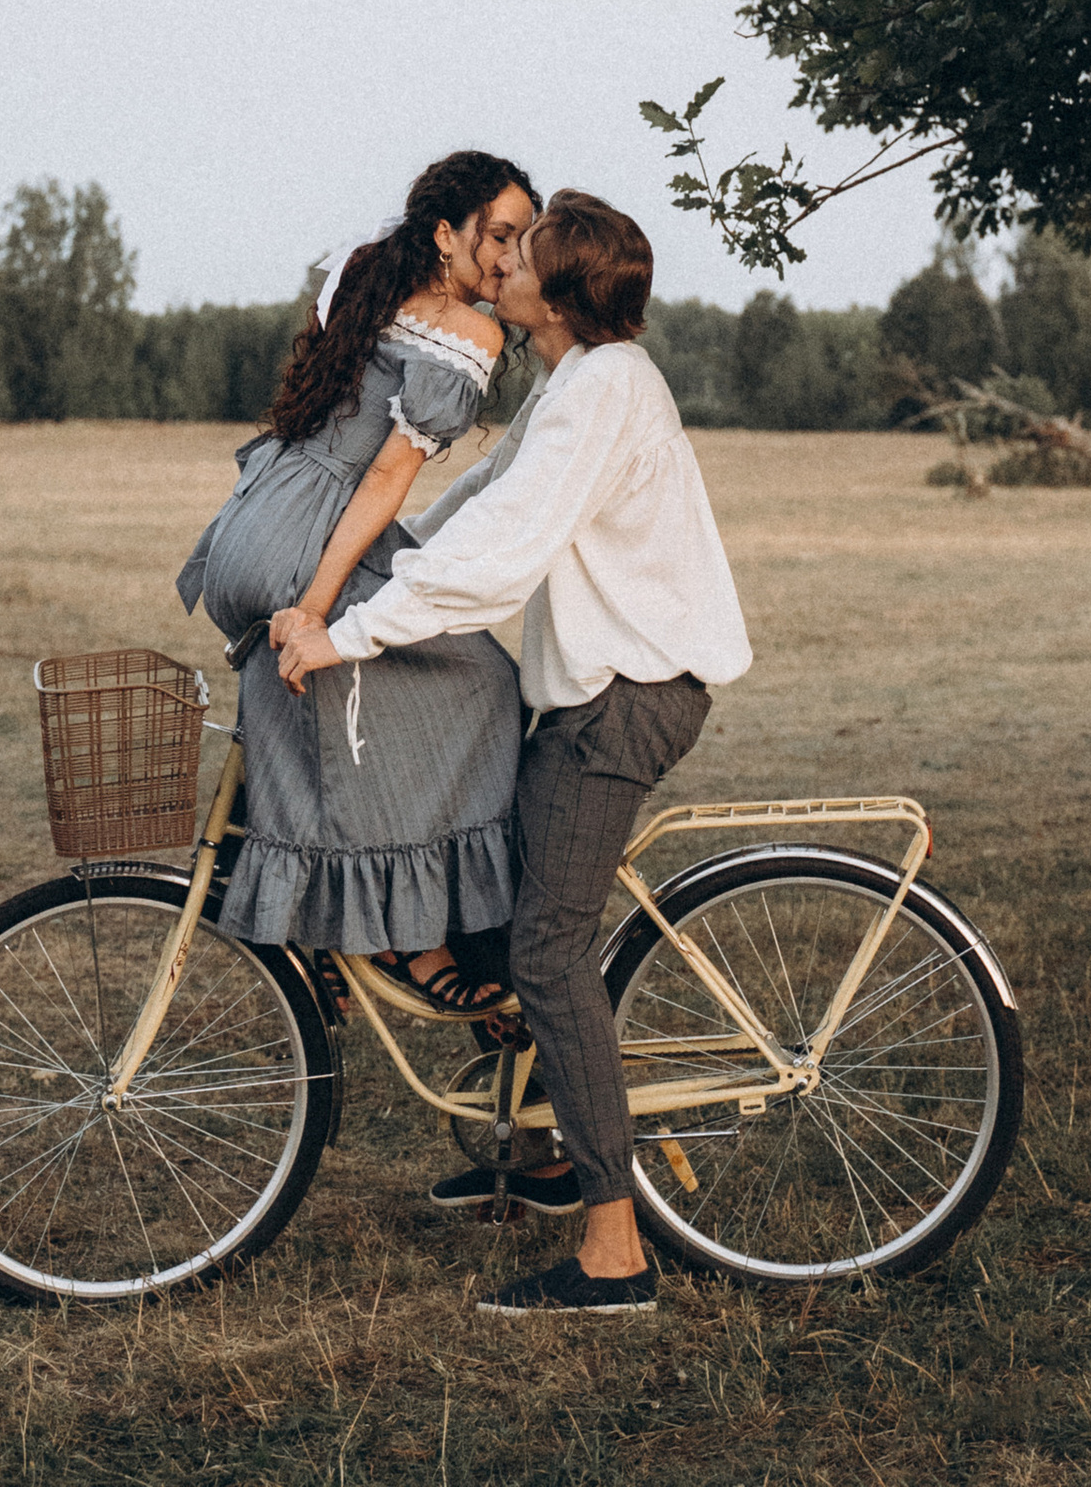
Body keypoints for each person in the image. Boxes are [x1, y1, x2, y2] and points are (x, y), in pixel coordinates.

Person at [278, 188, 751, 1318]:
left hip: (625, 700)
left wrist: (347, 633)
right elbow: (478, 504)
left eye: (523, 254)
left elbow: (501, 555)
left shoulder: (604, 391)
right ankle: (541, 1158)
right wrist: (351, 580)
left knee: (545, 951)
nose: (504, 266)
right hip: (598, 688)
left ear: (562, 287)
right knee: (494, 887)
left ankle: (613, 1252)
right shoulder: (575, 382)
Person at [175, 151, 535, 1010]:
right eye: (499, 235)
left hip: (254, 518)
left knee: (329, 697)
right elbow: (383, 479)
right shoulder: (469, 334)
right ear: (446, 232)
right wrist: (316, 605)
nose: (510, 259)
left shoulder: (366, 274)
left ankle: (333, 926)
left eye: (522, 241)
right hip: (314, 537)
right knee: (484, 683)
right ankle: (410, 939)